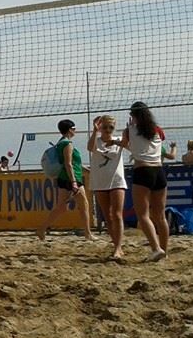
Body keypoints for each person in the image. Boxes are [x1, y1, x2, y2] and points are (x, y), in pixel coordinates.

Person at [117, 101, 171, 261]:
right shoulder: (157, 129)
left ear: (133, 115)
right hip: (159, 171)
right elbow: (148, 145)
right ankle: (164, 250)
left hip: (142, 170)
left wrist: (120, 138)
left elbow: (125, 145)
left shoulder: (129, 130)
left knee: (143, 215)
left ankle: (156, 249)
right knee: (160, 216)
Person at [36, 119, 94, 242]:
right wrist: (74, 182)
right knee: (83, 205)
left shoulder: (61, 143)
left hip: (65, 178)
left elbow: (74, 163)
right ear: (69, 130)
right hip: (72, 178)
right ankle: (88, 233)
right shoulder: (67, 144)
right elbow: (68, 164)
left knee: (61, 208)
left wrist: (88, 170)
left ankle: (42, 228)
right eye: (74, 128)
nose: (75, 130)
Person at [87, 115, 127, 260]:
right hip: (100, 182)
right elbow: (90, 148)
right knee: (108, 216)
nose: (108, 130)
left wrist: (120, 138)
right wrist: (94, 130)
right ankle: (116, 244)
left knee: (117, 214)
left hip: (116, 180)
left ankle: (118, 248)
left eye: (111, 127)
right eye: (105, 127)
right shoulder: (96, 141)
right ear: (100, 127)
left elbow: (128, 145)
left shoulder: (118, 140)